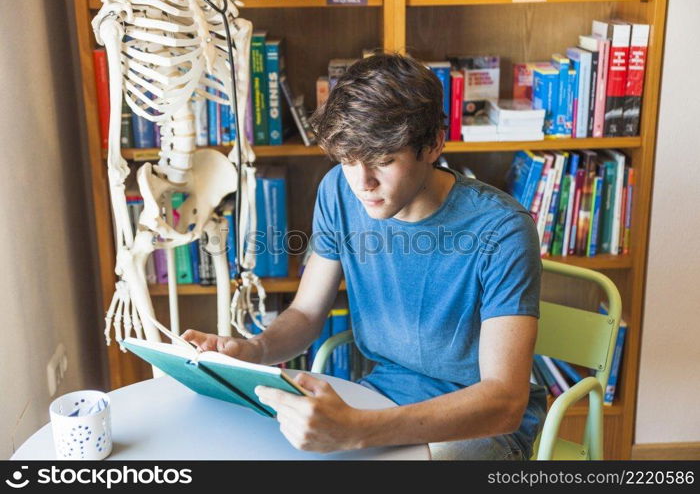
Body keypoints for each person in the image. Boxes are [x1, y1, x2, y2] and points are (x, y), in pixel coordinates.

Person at [183, 53, 546, 460]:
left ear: (433, 145)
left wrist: (358, 431)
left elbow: (504, 402)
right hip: (383, 393)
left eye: (384, 161)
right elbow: (304, 315)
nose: (363, 183)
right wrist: (253, 351)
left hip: (477, 420)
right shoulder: (339, 189)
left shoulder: (503, 230)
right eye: (347, 160)